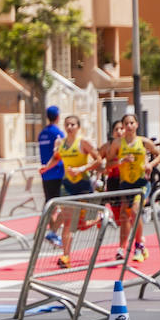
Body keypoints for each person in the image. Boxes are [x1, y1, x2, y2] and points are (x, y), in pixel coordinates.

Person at [37, 115, 102, 268]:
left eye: (73, 124)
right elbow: (56, 158)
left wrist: (81, 169)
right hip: (67, 185)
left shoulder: (83, 142)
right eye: (67, 124)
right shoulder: (61, 143)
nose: (70, 127)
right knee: (68, 222)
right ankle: (66, 256)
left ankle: (99, 218)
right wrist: (46, 167)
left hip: (83, 184)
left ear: (78, 127)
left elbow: (98, 159)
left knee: (82, 224)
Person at [110, 112, 160, 263]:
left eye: (131, 123)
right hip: (126, 183)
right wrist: (121, 161)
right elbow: (108, 164)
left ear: (137, 125)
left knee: (135, 211)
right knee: (124, 216)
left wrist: (150, 164)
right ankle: (122, 247)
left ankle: (138, 246)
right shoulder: (118, 144)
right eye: (126, 124)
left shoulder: (143, 142)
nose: (129, 126)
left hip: (141, 182)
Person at [38, 106, 67, 246]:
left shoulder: (42, 133)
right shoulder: (58, 133)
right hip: (57, 172)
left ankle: (51, 232)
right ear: (58, 117)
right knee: (60, 204)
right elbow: (61, 153)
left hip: (46, 174)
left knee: (50, 203)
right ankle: (53, 233)